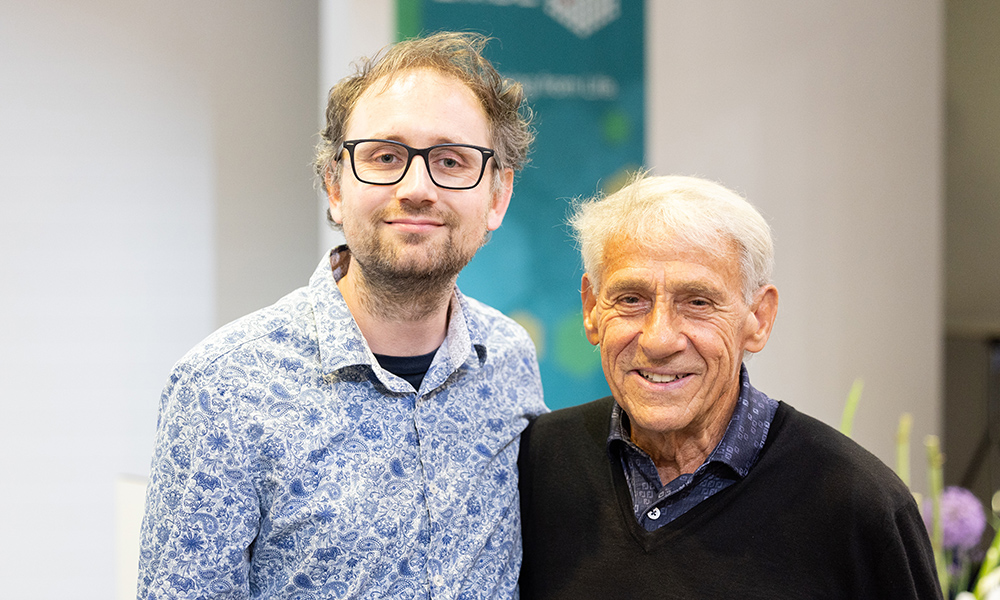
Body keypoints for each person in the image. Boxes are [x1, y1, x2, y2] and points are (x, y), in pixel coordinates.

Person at [138, 32, 546, 599]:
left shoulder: (510, 360)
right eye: (385, 157)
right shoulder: (222, 387)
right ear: (334, 185)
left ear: (497, 197)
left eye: (451, 161)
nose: (417, 187)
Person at [517, 174, 941, 599]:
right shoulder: (535, 465)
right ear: (591, 309)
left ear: (758, 318)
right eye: (630, 299)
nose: (659, 339)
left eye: (698, 302)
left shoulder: (859, 507)